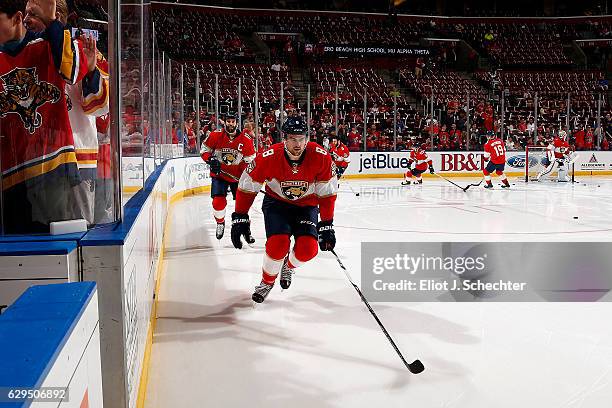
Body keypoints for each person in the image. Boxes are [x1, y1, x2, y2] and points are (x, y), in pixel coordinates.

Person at [0, 0, 89, 234]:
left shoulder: (49, 44)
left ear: (16, 18)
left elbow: (72, 71)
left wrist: (51, 21)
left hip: (52, 167)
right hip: (9, 176)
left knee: (57, 249)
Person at [230, 116, 338, 303]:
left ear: (307, 138)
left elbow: (327, 193)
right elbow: (248, 186)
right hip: (277, 204)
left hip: (306, 206)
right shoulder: (268, 157)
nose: (298, 144)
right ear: (284, 139)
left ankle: (288, 266)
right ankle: (266, 282)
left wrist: (327, 223)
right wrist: (240, 215)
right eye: (293, 139)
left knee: (308, 250)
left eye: (302, 138)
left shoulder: (321, 156)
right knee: (277, 245)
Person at [24, 0, 110, 226]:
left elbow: (101, 107)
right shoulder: (28, 54)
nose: (26, 21)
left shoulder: (85, 49)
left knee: (77, 229)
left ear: (56, 15)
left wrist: (91, 72)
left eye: (33, 14)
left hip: (79, 159)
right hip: (39, 160)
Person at [200, 112, 256, 240]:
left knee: (244, 205)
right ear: (224, 122)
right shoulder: (215, 135)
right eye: (228, 121)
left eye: (233, 121)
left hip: (239, 178)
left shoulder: (246, 140)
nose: (230, 124)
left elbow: (251, 160)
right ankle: (220, 222)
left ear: (237, 123)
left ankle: (245, 228)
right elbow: (204, 150)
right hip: (220, 175)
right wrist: (211, 159)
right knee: (218, 203)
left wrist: (245, 174)